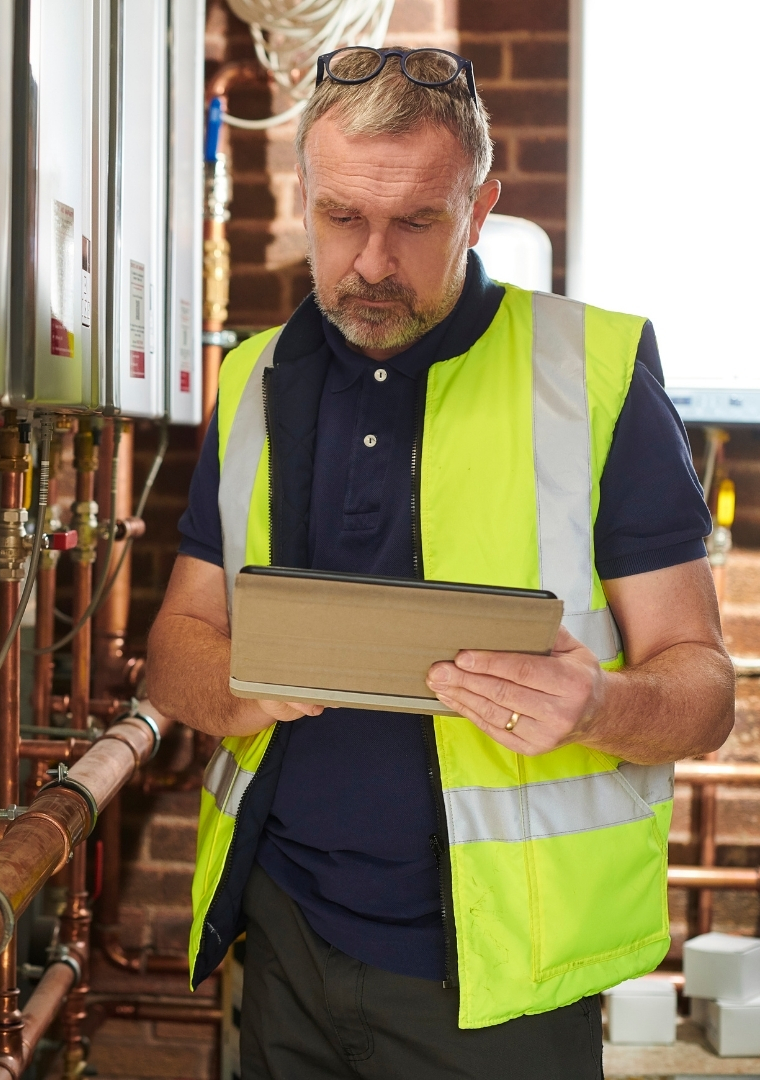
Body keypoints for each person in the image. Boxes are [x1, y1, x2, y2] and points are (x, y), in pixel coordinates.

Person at [148, 45, 734, 1079]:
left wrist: (596, 705)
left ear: (478, 209)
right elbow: (172, 654)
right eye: (342, 218)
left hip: (503, 990)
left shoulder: (590, 373)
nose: (373, 263)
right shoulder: (253, 379)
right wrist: (241, 687)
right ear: (304, 198)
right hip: (284, 950)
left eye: (416, 222)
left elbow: (703, 693)